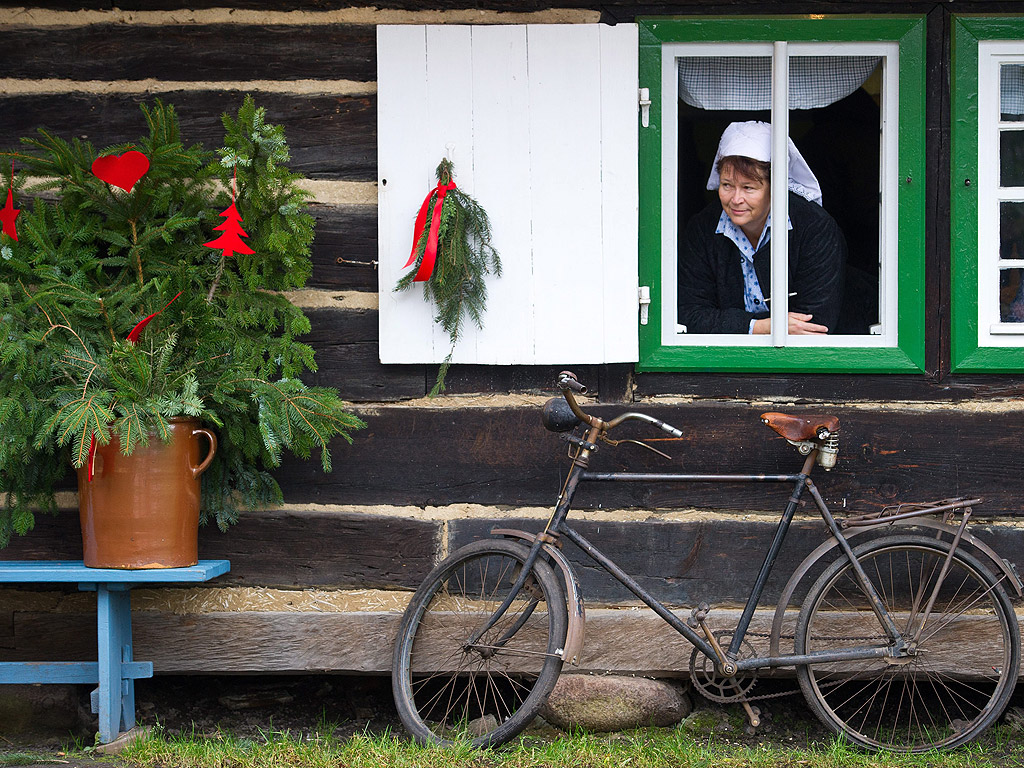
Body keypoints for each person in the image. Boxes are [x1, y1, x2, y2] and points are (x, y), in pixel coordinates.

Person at [677, 121, 847, 335]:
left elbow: (814, 325)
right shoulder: (703, 229)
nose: (736, 199)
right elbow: (689, 314)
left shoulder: (814, 229)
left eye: (748, 187)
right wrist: (761, 327)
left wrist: (725, 323)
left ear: (776, 186)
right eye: (727, 185)